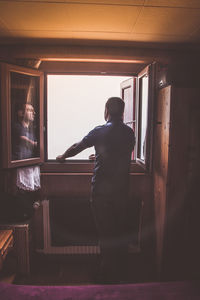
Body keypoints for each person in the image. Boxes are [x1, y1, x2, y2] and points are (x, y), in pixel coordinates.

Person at [56, 97, 135, 283]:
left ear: (106, 110)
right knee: (119, 232)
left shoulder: (100, 131)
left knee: (106, 234)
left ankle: (106, 277)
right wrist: (99, 154)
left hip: (102, 192)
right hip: (122, 191)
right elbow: (119, 154)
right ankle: (120, 272)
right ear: (122, 112)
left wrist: (63, 156)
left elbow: (77, 147)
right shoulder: (129, 132)